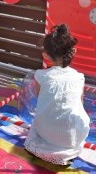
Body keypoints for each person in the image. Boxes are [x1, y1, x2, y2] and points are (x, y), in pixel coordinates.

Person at [23, 24, 90, 166]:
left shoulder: (41, 75)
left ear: (45, 55)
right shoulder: (79, 77)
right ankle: (66, 151)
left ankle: (44, 148)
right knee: (79, 117)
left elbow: (39, 96)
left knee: (37, 122)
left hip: (46, 130)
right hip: (72, 135)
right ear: (73, 51)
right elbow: (80, 103)